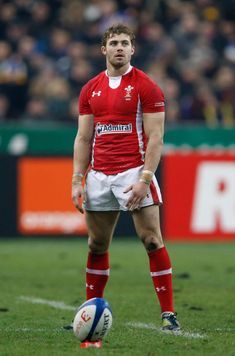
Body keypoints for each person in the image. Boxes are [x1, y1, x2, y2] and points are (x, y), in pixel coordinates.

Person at [71, 23, 180, 348]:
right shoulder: (90, 89)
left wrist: (145, 179)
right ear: (103, 49)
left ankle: (169, 314)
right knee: (96, 245)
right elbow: (84, 137)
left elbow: (156, 137)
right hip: (99, 176)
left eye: (125, 43)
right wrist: (78, 178)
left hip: (134, 171)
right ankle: (91, 314)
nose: (119, 48)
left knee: (151, 239)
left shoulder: (146, 87)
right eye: (114, 43)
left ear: (133, 49)